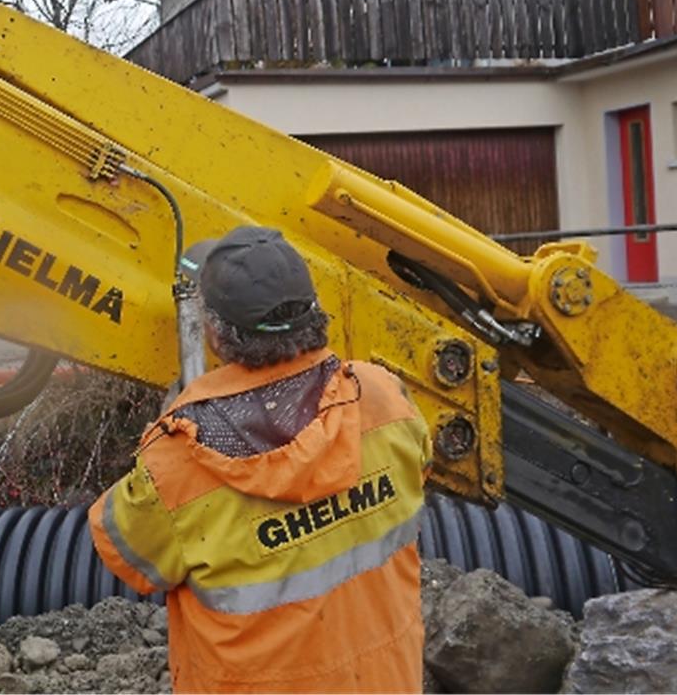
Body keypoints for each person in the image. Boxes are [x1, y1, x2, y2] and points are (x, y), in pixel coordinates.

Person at [88, 225, 432, 693]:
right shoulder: (381, 397)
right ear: (315, 312)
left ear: (215, 332)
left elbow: (127, 555)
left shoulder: (183, 455)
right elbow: (419, 471)